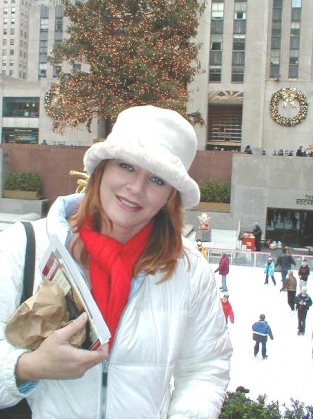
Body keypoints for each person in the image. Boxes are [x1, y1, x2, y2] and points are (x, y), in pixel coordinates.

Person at [0, 105, 232, 418]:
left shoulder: (190, 270)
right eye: (126, 166)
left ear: (170, 198)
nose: (135, 188)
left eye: (157, 180)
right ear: (102, 168)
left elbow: (206, 368)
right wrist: (29, 367)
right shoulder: (23, 245)